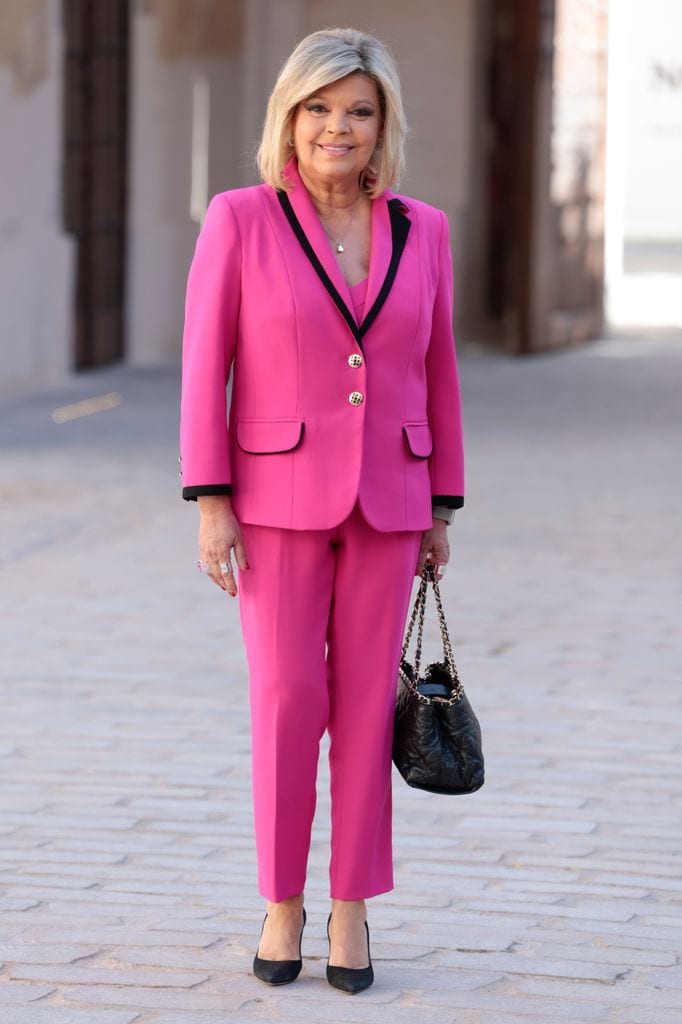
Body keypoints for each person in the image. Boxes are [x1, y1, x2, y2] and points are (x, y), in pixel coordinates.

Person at [179, 27, 464, 994]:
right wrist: (211, 499)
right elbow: (202, 367)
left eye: (357, 110)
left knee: (359, 710)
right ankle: (280, 903)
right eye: (319, 109)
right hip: (272, 500)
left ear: (383, 124)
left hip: (390, 499)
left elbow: (438, 371)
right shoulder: (240, 219)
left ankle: (351, 910)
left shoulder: (424, 229)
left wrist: (442, 504)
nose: (337, 128)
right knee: (288, 700)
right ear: (289, 119)